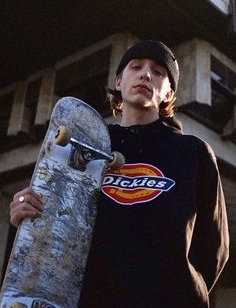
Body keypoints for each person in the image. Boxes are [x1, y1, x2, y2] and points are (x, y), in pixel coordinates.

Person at [9, 40, 229, 308]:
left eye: (158, 72)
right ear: (119, 81)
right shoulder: (84, 144)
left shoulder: (193, 153)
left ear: (169, 93)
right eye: (136, 67)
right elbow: (58, 219)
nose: (146, 74)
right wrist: (26, 212)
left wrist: (180, 293)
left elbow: (215, 248)